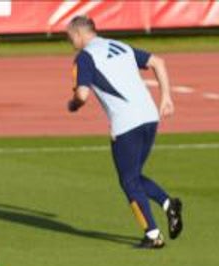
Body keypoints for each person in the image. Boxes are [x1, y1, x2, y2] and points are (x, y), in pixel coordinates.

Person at [66, 15, 183, 249]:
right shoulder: (119, 45)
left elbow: (82, 95)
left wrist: (73, 104)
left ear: (79, 34)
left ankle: (153, 235)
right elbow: (158, 62)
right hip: (150, 116)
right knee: (135, 175)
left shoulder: (86, 57)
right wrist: (167, 97)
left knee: (129, 180)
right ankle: (169, 204)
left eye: (70, 37)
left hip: (126, 123)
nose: (71, 42)